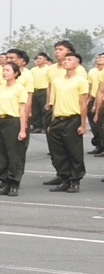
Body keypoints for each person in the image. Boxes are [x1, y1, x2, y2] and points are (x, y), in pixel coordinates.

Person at [45, 45, 91, 191]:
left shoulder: (80, 80)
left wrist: (83, 124)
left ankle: (75, 180)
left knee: (74, 152)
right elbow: (55, 101)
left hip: (73, 119)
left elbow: (83, 103)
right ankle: (64, 178)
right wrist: (52, 121)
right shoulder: (57, 80)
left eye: (69, 59)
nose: (65, 61)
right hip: (58, 119)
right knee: (59, 152)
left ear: (77, 64)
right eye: (65, 59)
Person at [0, 59, 29, 196]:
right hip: (0, 121)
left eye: (8, 70)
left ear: (16, 73)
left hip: (13, 121)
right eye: (3, 70)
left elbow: (22, 110)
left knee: (13, 153)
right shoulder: (0, 88)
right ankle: (4, 182)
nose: (4, 73)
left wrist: (23, 129)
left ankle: (14, 183)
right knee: (1, 154)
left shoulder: (20, 89)